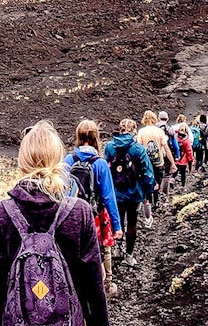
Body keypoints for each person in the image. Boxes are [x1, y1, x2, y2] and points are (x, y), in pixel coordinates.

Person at [0, 121, 109, 326]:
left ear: (22, 161)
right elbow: (94, 286)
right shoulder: (79, 212)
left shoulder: (2, 213)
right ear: (58, 159)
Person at [65, 120, 121, 299]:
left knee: (74, 250)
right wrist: (117, 226)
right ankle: (106, 286)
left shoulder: (68, 160)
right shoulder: (100, 164)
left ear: (78, 137)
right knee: (103, 248)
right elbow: (108, 197)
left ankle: (73, 286)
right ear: (95, 137)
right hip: (95, 216)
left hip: (71, 214)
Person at [102, 119, 154, 266]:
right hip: (134, 193)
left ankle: (117, 249)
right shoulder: (138, 149)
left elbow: (105, 169)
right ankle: (129, 255)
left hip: (115, 193)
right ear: (134, 131)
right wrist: (147, 193)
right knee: (132, 222)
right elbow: (148, 174)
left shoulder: (110, 147)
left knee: (116, 219)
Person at [136, 110, 176, 212]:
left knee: (148, 182)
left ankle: (148, 202)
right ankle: (156, 202)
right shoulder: (159, 131)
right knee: (158, 181)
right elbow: (166, 148)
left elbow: (139, 149)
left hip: (146, 163)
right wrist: (172, 163)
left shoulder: (141, 132)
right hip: (159, 162)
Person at [155, 111, 179, 200]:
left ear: (158, 118)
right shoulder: (170, 129)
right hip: (168, 154)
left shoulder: (154, 128)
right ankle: (165, 193)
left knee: (156, 174)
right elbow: (175, 144)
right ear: (167, 119)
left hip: (156, 154)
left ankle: (155, 194)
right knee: (167, 174)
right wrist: (177, 155)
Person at [172, 115, 194, 188]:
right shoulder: (186, 140)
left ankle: (172, 179)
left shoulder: (175, 136)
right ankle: (183, 186)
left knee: (174, 171)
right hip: (183, 160)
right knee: (183, 174)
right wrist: (191, 160)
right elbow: (189, 151)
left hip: (175, 157)